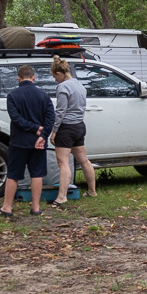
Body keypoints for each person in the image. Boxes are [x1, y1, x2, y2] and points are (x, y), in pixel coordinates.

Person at [0, 64, 54, 218]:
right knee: (37, 174)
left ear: (18, 78)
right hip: (38, 143)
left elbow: (17, 119)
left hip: (19, 141)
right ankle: (36, 208)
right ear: (34, 78)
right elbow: (51, 118)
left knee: (13, 174)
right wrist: (42, 135)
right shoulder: (44, 96)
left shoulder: (13, 96)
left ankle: (7, 207)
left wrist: (34, 128)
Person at [50, 56, 96, 206]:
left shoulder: (63, 87)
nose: (55, 80)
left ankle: (62, 197)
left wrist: (54, 131)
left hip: (66, 128)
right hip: (79, 126)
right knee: (84, 160)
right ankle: (92, 191)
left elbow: (60, 111)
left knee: (63, 162)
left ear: (59, 73)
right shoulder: (79, 85)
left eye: (54, 77)